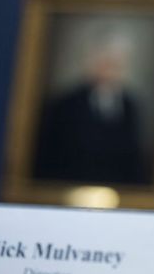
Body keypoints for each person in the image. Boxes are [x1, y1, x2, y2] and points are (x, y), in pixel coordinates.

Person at [34, 30, 148, 184]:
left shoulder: (130, 105)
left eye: (115, 64)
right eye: (105, 62)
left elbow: (134, 159)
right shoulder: (65, 104)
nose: (110, 69)